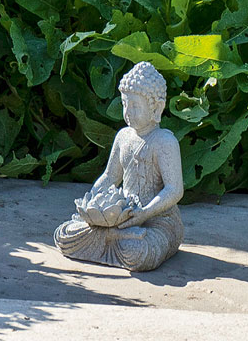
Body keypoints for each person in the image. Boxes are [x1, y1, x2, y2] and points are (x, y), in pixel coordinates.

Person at [53, 62, 185, 270]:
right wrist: (93, 202)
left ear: (156, 108)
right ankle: (113, 236)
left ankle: (115, 239)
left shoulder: (164, 142)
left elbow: (174, 190)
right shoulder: (123, 137)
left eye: (135, 106)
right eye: (125, 104)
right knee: (64, 234)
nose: (128, 112)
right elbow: (110, 177)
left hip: (157, 221)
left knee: (137, 252)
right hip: (122, 215)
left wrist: (145, 213)